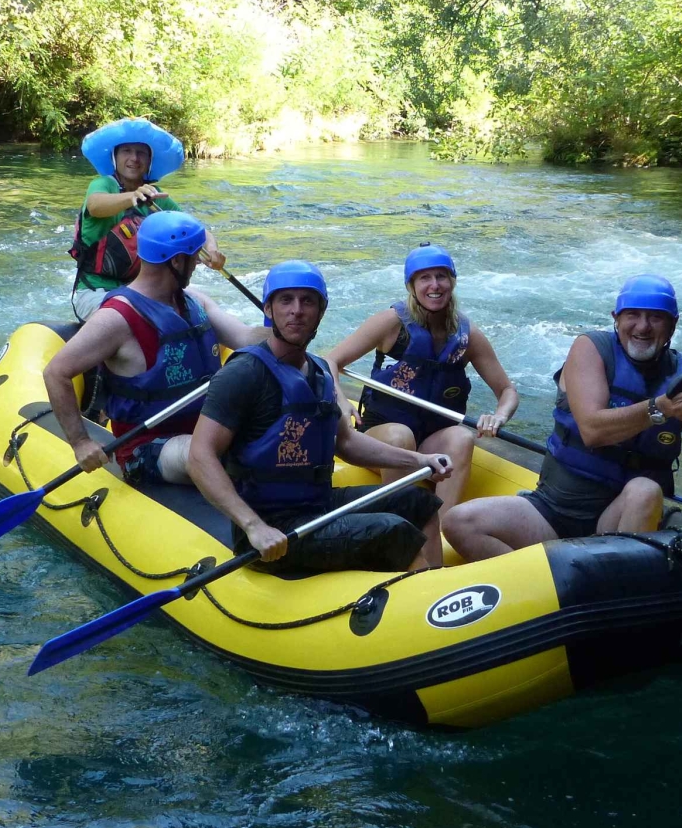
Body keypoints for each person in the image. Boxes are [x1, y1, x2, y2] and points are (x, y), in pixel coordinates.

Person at [444, 274, 682, 561]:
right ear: (616, 318)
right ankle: (549, 585)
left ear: (673, 325)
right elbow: (592, 430)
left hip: (621, 518)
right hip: (554, 510)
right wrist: (659, 409)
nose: (643, 327)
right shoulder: (590, 349)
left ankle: (613, 582)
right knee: (459, 522)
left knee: (645, 489)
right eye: (633, 315)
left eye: (655, 318)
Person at [187, 260, 454, 572]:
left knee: (419, 504)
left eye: (307, 301)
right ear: (269, 309)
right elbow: (199, 456)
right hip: (271, 526)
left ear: (321, 312)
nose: (297, 310)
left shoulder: (321, 372)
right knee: (392, 531)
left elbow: (347, 442)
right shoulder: (245, 373)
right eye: (285, 300)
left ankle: (441, 587)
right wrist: (253, 526)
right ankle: (423, 591)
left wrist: (419, 460)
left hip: (319, 504)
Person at [44, 211, 262, 486]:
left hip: (210, 428)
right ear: (177, 261)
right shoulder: (116, 318)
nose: (197, 263)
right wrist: (80, 442)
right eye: (194, 257)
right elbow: (56, 372)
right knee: (199, 450)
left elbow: (246, 338)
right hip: (147, 446)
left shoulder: (194, 301)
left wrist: (286, 328)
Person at [323, 244, 518, 515]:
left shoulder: (467, 336)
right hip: (382, 439)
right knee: (400, 435)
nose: (434, 285)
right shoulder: (391, 323)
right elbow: (329, 362)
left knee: (461, 437)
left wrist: (499, 416)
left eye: (441, 276)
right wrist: (342, 402)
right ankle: (401, 522)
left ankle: (444, 526)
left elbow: (507, 390)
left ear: (452, 282)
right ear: (411, 285)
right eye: (424, 278)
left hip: (431, 441)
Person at [70, 118, 226, 322]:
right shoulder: (103, 185)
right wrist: (132, 197)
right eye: (126, 151)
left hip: (138, 291)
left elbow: (196, 230)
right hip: (94, 291)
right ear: (115, 157)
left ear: (150, 161)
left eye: (141, 153)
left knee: (198, 305)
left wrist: (211, 250)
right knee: (139, 317)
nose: (134, 158)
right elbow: (95, 205)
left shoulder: (155, 195)